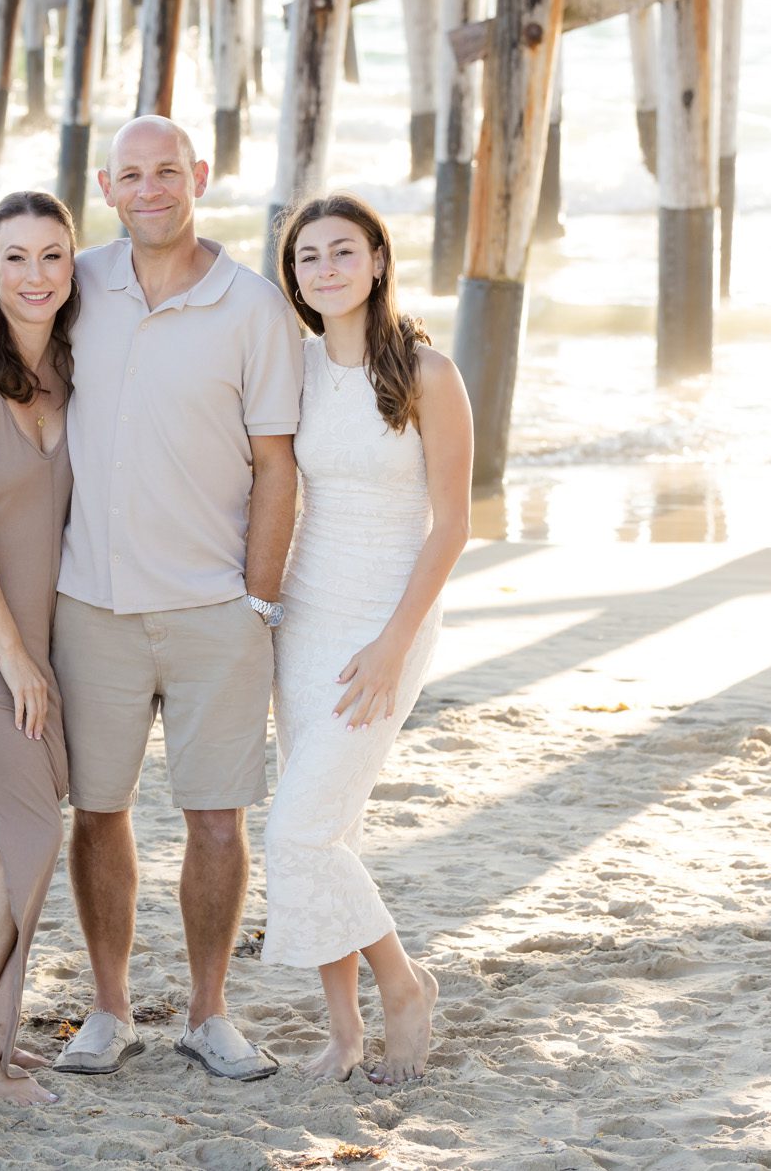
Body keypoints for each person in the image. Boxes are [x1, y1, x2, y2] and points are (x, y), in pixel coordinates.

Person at [51, 115, 302, 1081]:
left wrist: (259, 597)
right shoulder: (73, 285)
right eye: (130, 175)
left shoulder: (253, 306)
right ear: (107, 188)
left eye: (167, 171)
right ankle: (108, 1008)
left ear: (199, 175)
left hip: (214, 611)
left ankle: (206, 1011)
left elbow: (277, 463)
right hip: (91, 603)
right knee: (98, 811)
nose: (150, 188)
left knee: (215, 818)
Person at [265, 194, 471, 1084]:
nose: (325, 270)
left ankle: (402, 985)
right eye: (308, 258)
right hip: (305, 611)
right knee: (325, 826)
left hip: (389, 616)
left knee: (297, 830)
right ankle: (344, 1030)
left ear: (379, 260)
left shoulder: (428, 372)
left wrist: (394, 641)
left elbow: (454, 524)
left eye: (342, 252)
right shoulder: (295, 367)